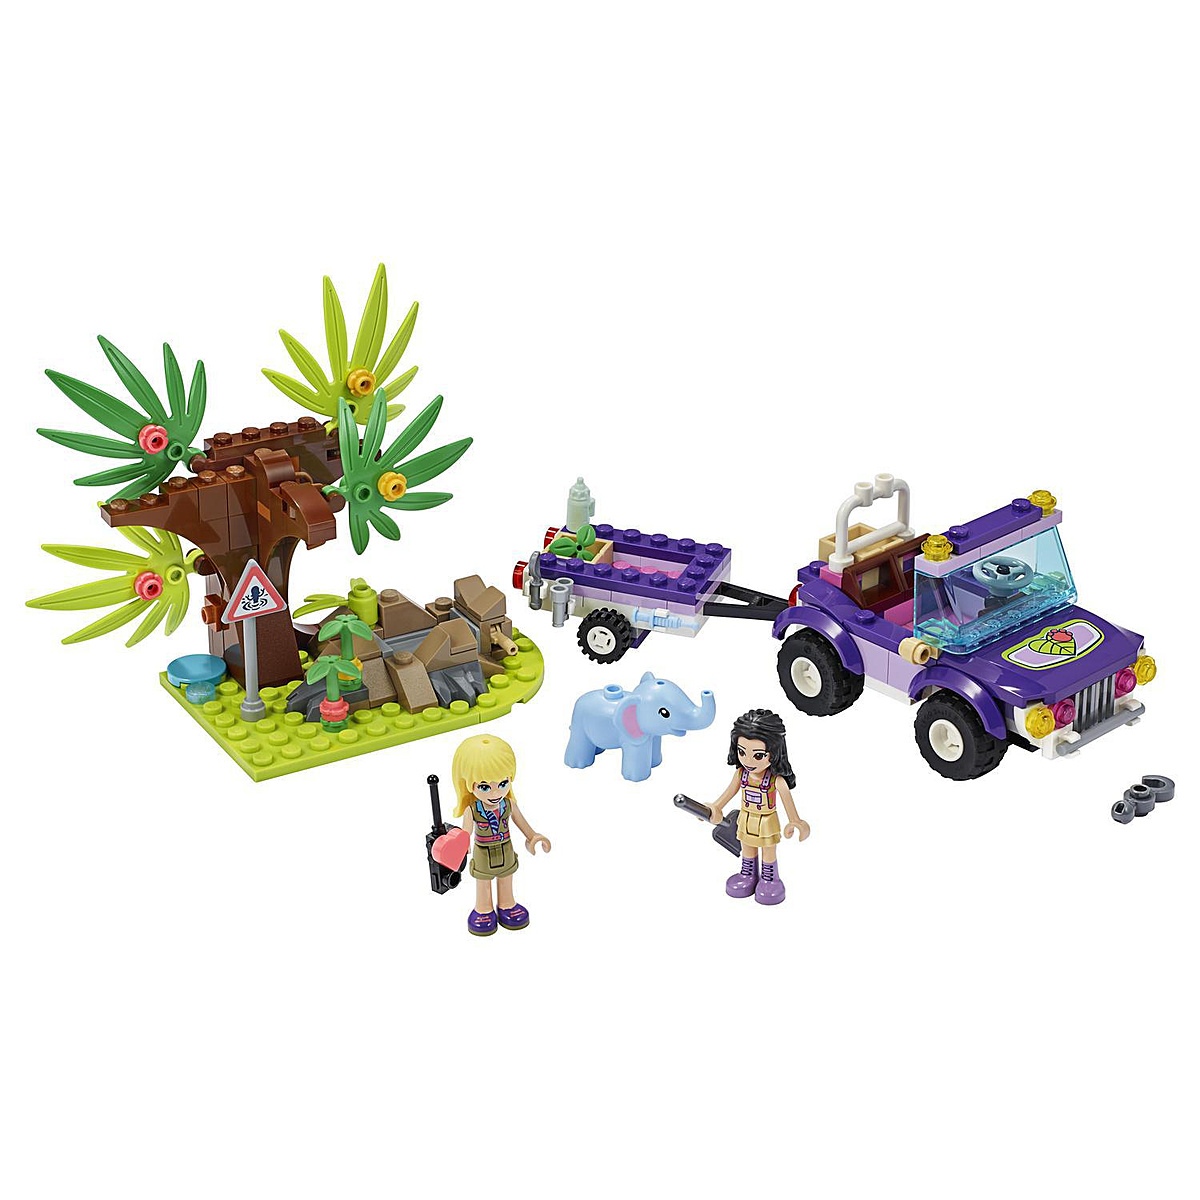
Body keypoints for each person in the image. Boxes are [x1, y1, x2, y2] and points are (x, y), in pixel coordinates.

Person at [451, 734, 551, 936]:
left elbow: (521, 821)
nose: (495, 792)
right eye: (485, 787)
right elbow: (466, 830)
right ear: (469, 785)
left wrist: (533, 837)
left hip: (506, 848)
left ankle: (507, 904)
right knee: (483, 881)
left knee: (506, 877)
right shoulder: (473, 809)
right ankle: (483, 908)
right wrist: (461, 844)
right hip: (483, 851)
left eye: (503, 783)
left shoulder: (508, 804)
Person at [708, 709, 809, 905]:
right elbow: (727, 794)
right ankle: (748, 874)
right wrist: (715, 807)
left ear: (774, 752)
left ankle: (770, 879)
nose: (747, 761)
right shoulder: (741, 775)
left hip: (766, 821)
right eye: (742, 752)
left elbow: (788, 802)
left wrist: (795, 821)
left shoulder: (776, 780)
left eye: (758, 755)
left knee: (768, 851)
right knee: (747, 848)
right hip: (745, 818)